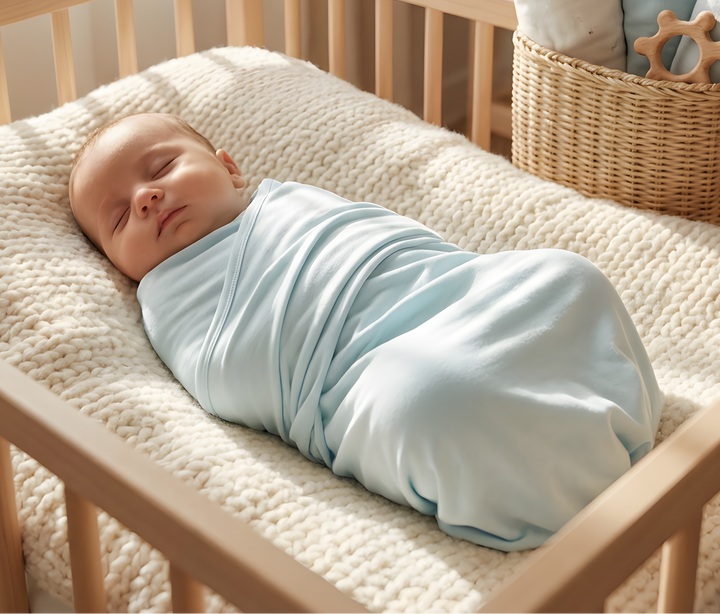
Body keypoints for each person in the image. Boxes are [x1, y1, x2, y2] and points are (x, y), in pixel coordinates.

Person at [69, 111, 663, 552]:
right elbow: (230, 372)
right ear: (119, 266)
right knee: (431, 397)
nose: (146, 199)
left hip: (454, 290)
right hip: (368, 367)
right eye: (120, 217)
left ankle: (587, 399)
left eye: (163, 168)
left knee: (566, 275)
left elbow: (393, 244)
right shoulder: (168, 297)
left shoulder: (286, 203)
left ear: (228, 166)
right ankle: (544, 478)